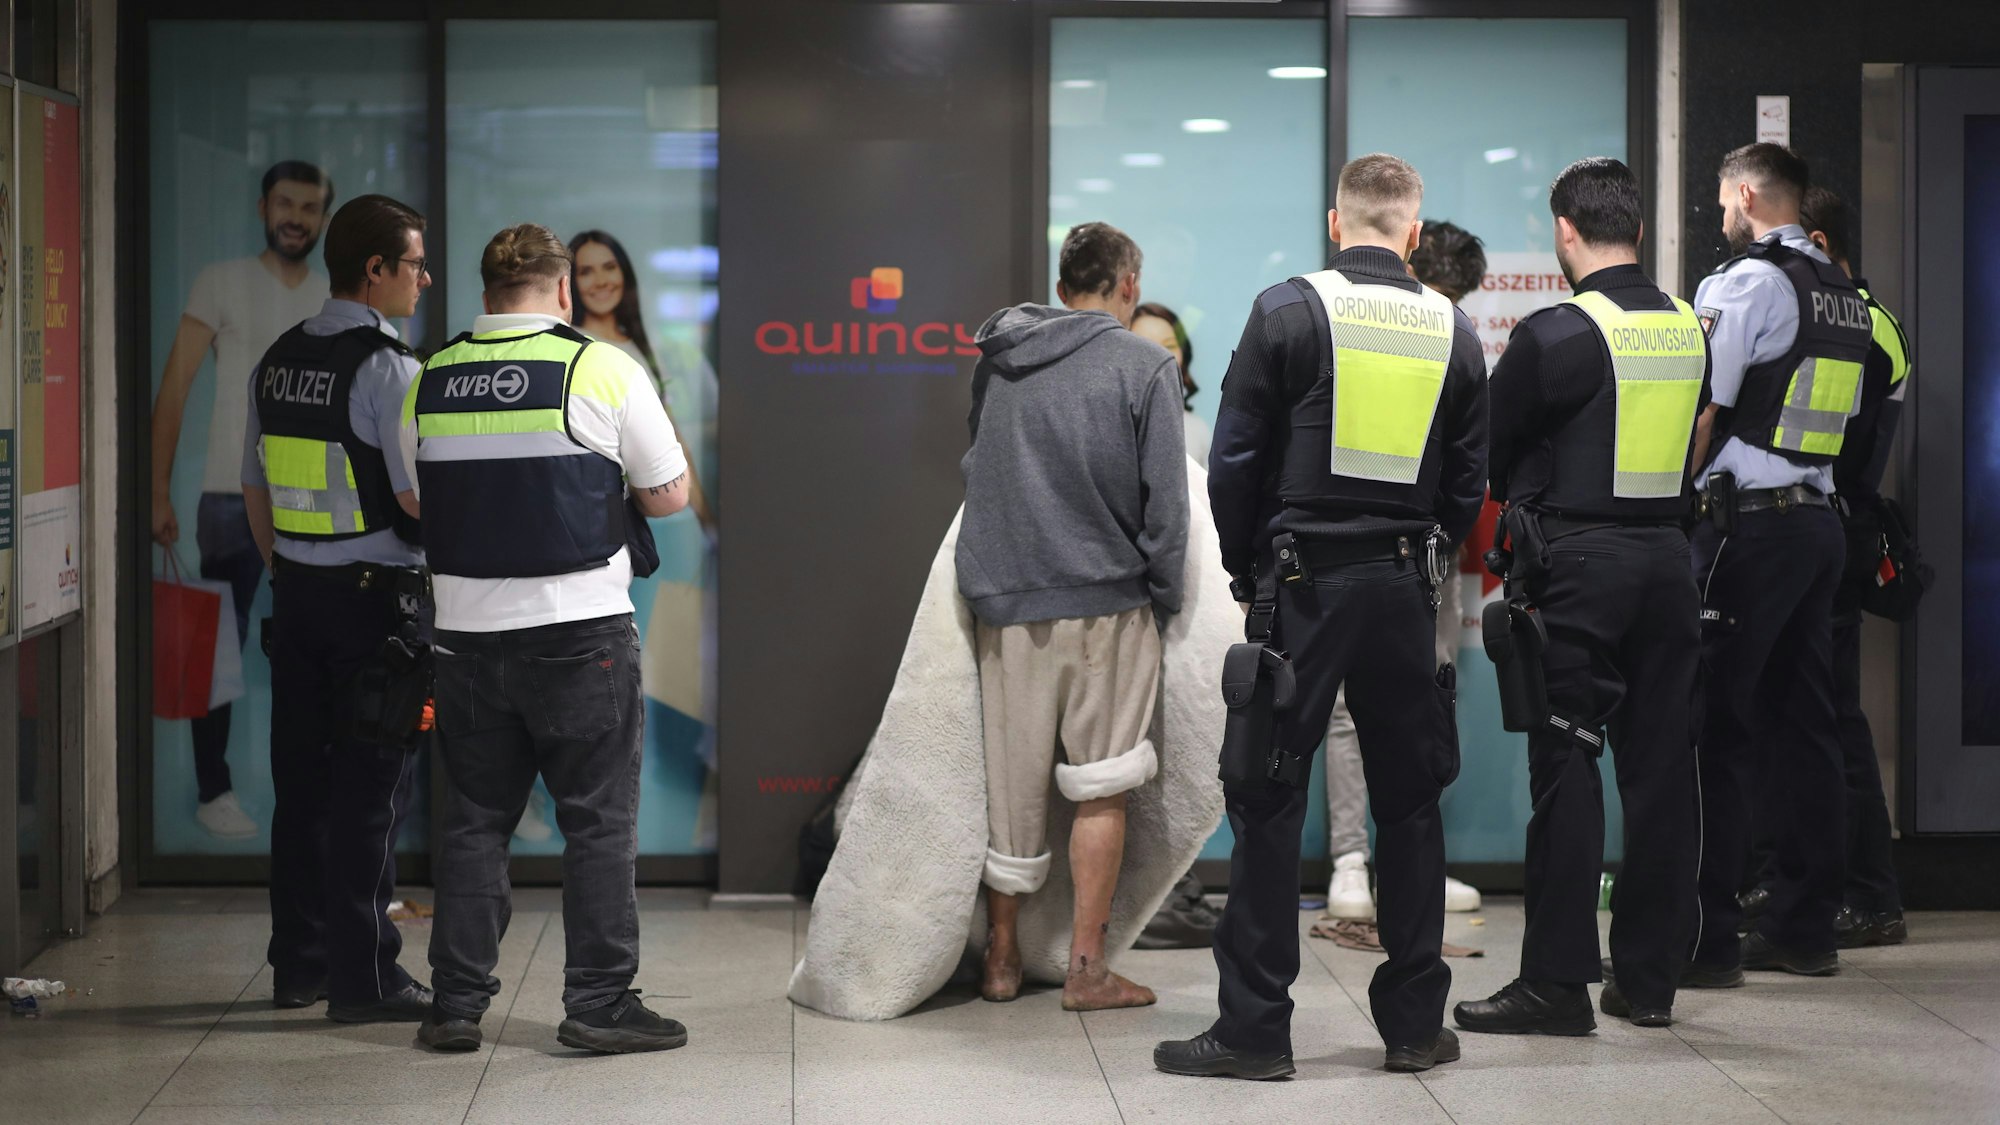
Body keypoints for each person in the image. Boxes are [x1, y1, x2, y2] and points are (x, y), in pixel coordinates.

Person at [1156, 154, 1487, 1078]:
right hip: (1404, 589)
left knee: (1267, 796)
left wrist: (1244, 564)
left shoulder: (1289, 309)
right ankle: (1417, 1025)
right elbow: (1467, 485)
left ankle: (1255, 1029)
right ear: (1413, 234)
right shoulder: (1454, 331)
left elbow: (1235, 458)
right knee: (1412, 803)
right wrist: (1420, 555)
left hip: (1300, 585)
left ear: (1335, 222)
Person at [405, 224, 691, 1054]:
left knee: (473, 824)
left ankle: (454, 1004)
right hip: (580, 636)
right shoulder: (599, 366)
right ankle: (597, 1003)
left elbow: (415, 499)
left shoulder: (431, 375)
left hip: (462, 640)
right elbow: (668, 495)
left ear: (486, 290)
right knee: (598, 822)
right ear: (562, 290)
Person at [1451, 158, 1710, 1035]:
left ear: (1566, 230)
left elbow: (1487, 443)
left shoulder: (1558, 333)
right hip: (1669, 564)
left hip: (1579, 567)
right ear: (1635, 226)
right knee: (1663, 772)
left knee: (1566, 766)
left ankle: (1557, 984)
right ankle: (1648, 981)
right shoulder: (1688, 327)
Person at [962, 221, 1188, 1010]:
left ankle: (1001, 959)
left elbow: (974, 468)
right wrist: (1165, 596)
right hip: (1108, 604)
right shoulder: (1146, 366)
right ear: (1130, 285)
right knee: (1103, 786)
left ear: (1062, 289)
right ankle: (1087, 971)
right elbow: (1168, 507)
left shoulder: (1000, 364)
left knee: (1010, 791)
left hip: (1007, 602)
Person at [241, 193, 434, 1020]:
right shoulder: (388, 369)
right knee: (371, 793)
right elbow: (415, 498)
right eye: (416, 264)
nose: (424, 279)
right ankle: (370, 979)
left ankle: (302, 965)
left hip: (299, 597)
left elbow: (256, 488)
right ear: (376, 270)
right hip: (372, 610)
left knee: (302, 790)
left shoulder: (277, 356)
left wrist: (291, 566)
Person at [1687, 144, 1873, 981]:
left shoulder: (1747, 283)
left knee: (1711, 724)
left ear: (1749, 195)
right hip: (1818, 526)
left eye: (1724, 197)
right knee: (1807, 728)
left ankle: (1707, 936)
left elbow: (1705, 407)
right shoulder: (1843, 293)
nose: (1719, 211)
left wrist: (1665, 502)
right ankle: (1804, 928)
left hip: (1747, 529)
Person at [1743, 187, 1912, 949]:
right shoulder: (1870, 319)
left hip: (1824, 517)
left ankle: (1867, 893)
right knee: (1813, 713)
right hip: (1833, 521)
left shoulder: (1852, 323)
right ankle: (1816, 884)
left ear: (1814, 240)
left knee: (1829, 717)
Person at [150, 160, 335, 840]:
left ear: (322, 218)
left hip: (310, 500)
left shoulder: (328, 295)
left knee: (309, 648)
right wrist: (155, 491)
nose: (296, 216)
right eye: (285, 203)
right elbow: (174, 388)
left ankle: (309, 785)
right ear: (263, 207)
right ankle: (212, 788)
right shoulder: (221, 281)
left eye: (310, 207)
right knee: (218, 647)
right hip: (226, 494)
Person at [1322, 218, 1489, 923]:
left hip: (1432, 550)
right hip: (1355, 542)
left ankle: (1411, 863)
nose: (1448, 310)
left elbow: (1470, 460)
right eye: (1441, 292)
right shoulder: (1358, 328)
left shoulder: (1459, 345)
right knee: (1342, 712)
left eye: (1460, 299)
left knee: (1427, 700)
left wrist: (1445, 537)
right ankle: (1350, 862)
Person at [1131, 301, 1222, 953]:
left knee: (1185, 745)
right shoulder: (1118, 419)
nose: (1161, 353)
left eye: (1170, 342)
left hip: (1188, 609)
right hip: (1128, 608)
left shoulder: (1199, 430)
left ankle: (1178, 882)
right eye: (1146, 342)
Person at [1132, 302, 1209, 467]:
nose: (1160, 356)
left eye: (1169, 346)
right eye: (1146, 346)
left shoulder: (1197, 430)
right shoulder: (1106, 419)